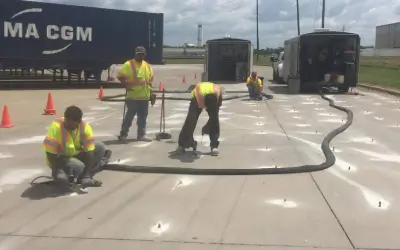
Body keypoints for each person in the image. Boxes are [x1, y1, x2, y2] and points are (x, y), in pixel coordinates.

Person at [42, 106, 112, 187]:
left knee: (100, 147)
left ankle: (83, 176)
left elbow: (89, 152)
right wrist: (58, 170)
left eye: (71, 122)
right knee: (78, 166)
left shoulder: (85, 128)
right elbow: (49, 153)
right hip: (59, 158)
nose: (67, 124)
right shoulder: (56, 127)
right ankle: (64, 175)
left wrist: (87, 175)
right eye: (66, 120)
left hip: (74, 154)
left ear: (78, 122)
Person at [117, 46, 154, 142]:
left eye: (142, 54)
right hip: (133, 96)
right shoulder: (129, 64)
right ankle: (123, 135)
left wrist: (152, 93)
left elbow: (149, 81)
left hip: (144, 97)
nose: (140, 56)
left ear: (145, 55)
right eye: (139, 54)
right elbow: (120, 75)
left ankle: (141, 135)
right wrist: (125, 83)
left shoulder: (148, 66)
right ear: (135, 54)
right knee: (129, 118)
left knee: (142, 118)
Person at [175, 82, 222, 156]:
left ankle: (214, 145)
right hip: (196, 98)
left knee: (215, 120)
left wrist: (207, 126)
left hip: (211, 95)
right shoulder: (199, 96)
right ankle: (182, 144)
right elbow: (199, 109)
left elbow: (214, 116)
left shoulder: (218, 94)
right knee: (191, 120)